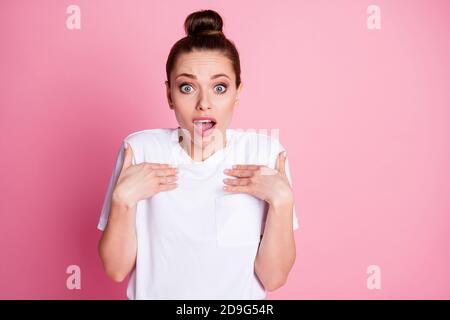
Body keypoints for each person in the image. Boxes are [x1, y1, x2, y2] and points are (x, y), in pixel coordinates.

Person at [97, 9, 299, 300]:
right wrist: (123, 200)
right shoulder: (140, 150)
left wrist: (282, 201)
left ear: (237, 93)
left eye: (219, 87)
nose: (204, 103)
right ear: (169, 94)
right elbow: (116, 270)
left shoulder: (265, 154)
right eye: (187, 87)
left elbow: (274, 277)